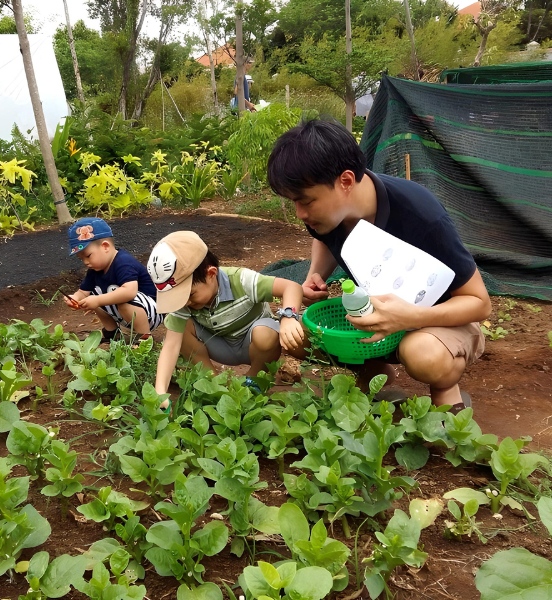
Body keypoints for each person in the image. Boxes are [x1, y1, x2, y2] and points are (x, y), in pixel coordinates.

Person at [267, 118, 491, 413]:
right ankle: (373, 373)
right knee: (298, 336)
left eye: (305, 201)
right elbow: (324, 239)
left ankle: (446, 395)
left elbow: (479, 303)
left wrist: (411, 317)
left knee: (422, 353)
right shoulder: (328, 213)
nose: (299, 213)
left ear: (345, 181)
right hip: (382, 316)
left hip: (442, 319)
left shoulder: (420, 215)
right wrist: (316, 274)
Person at [147, 231, 304, 410]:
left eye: (189, 295)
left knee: (265, 334)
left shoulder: (242, 280)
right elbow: (171, 346)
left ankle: (253, 381)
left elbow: (291, 287)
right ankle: (216, 384)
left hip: (253, 344)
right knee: (179, 331)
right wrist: (160, 392)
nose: (185, 303)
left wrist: (289, 317)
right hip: (220, 345)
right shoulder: (185, 303)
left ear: (211, 274)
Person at [65, 217, 163, 343]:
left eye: (88, 256)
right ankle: (112, 332)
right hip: (129, 313)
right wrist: (74, 298)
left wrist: (97, 300)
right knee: (93, 294)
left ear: (105, 246)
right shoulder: (95, 270)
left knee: (113, 298)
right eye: (81, 259)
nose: (85, 262)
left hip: (152, 312)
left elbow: (130, 292)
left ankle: (144, 338)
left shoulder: (123, 262)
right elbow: (83, 292)